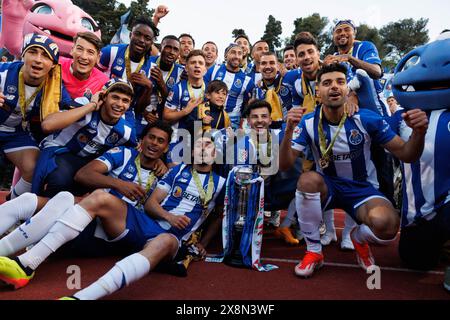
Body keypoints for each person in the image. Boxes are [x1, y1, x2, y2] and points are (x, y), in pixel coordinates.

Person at [0, 136, 226, 301]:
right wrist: (169, 215)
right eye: (198, 145)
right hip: (141, 222)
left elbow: (218, 217)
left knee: (165, 240)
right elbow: (150, 203)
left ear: (215, 154)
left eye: (208, 146)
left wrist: (203, 244)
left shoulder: (223, 183)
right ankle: (27, 263)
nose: (203, 149)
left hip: (170, 239)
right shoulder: (175, 171)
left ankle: (82, 297)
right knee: (95, 197)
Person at [279, 63, 428, 278]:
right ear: (318, 92)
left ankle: (358, 238)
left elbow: (407, 154)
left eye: (340, 81)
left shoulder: (366, 118)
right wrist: (288, 131)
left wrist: (419, 133)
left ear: (348, 89)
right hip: (328, 186)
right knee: (307, 180)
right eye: (327, 83)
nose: (334, 87)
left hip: (362, 188)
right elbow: (284, 165)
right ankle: (314, 251)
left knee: (388, 226)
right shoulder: (307, 122)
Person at [0, 121, 172, 257]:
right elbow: (83, 175)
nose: (154, 143)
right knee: (29, 200)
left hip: (109, 229)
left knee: (60, 213)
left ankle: (19, 252)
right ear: (142, 140)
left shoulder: (167, 176)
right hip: (86, 208)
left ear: (166, 148)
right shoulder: (124, 153)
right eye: (151, 137)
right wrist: (119, 184)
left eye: (160, 141)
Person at [325, 19, 395, 206]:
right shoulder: (332, 56)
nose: (342, 33)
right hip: (349, 115)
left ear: (354, 33)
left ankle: (389, 206)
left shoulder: (364, 47)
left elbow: (376, 72)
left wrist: (351, 59)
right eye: (337, 31)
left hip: (373, 109)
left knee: (381, 156)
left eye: (346, 29)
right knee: (360, 160)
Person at [32, 78, 137, 198]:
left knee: (100, 187)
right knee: (59, 181)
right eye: (115, 97)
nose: (119, 104)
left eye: (125, 101)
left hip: (85, 162)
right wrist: (91, 106)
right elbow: (47, 125)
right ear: (103, 96)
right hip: (59, 151)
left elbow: (137, 150)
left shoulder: (126, 131)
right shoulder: (84, 103)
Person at [0, 33, 73, 199]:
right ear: (23, 54)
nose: (38, 60)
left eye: (46, 56)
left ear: (53, 65)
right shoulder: (3, 72)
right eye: (33, 52)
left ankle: (12, 204)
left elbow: (69, 109)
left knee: (33, 166)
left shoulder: (54, 88)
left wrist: (92, 104)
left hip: (15, 133)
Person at [163, 50, 208, 163]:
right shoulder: (178, 88)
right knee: (172, 174)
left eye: (200, 63)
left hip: (201, 142)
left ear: (205, 69)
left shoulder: (210, 89)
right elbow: (166, 116)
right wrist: (186, 111)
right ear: (186, 68)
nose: (197, 65)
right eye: (193, 63)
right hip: (179, 139)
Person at [135, 35, 184, 137]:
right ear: (161, 47)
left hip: (163, 122)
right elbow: (133, 94)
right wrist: (145, 112)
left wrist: (161, 83)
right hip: (139, 115)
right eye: (168, 47)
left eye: (175, 49)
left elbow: (174, 103)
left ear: (179, 53)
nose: (171, 52)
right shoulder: (146, 62)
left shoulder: (181, 72)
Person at [204, 43, 255, 129]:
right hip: (210, 115)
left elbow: (248, 104)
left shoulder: (247, 80)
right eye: (233, 52)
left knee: (231, 142)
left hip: (233, 120)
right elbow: (203, 92)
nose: (237, 56)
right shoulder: (213, 70)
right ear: (225, 55)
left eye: (240, 53)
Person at [60, 32, 109, 101]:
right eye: (80, 49)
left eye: (90, 52)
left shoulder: (103, 83)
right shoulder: (56, 65)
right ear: (72, 50)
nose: (84, 56)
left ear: (98, 58)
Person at [253, 52, 293, 129]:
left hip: (289, 131)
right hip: (265, 133)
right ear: (259, 67)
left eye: (272, 63)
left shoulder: (289, 81)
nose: (268, 66)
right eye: (264, 63)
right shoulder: (256, 89)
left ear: (278, 66)